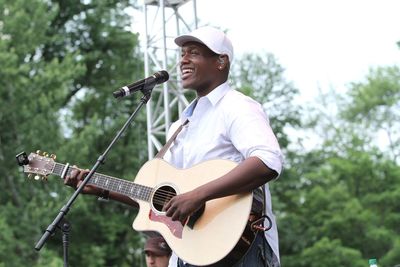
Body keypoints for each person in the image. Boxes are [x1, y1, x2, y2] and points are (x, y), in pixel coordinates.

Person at [65, 26, 283, 267]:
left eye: (194, 53)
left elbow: (267, 161)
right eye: (182, 54)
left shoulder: (238, 106)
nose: (183, 61)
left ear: (221, 61)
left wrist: (199, 195)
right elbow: (160, 200)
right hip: (191, 251)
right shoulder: (180, 125)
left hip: (240, 250)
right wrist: (103, 189)